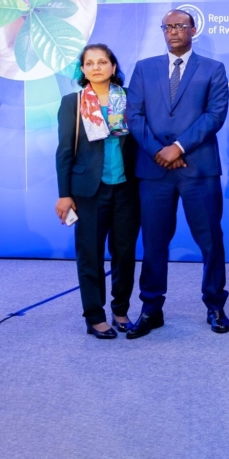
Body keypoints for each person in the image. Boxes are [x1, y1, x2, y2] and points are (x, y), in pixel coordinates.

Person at [124, 8, 229, 339]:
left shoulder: (213, 69)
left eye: (179, 26)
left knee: (210, 241)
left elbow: (215, 115)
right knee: (154, 242)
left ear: (192, 30)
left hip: (198, 170)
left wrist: (179, 147)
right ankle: (151, 309)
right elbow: (134, 114)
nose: (172, 32)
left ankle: (215, 306)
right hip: (154, 171)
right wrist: (161, 151)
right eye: (167, 27)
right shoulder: (144, 69)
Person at [54, 44, 139, 338]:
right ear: (83, 70)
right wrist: (64, 194)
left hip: (127, 189)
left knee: (125, 254)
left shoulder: (129, 99)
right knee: (90, 255)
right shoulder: (72, 102)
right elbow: (65, 152)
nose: (96, 67)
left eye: (102, 62)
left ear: (113, 67)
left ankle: (120, 310)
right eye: (89, 63)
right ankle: (94, 315)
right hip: (87, 192)